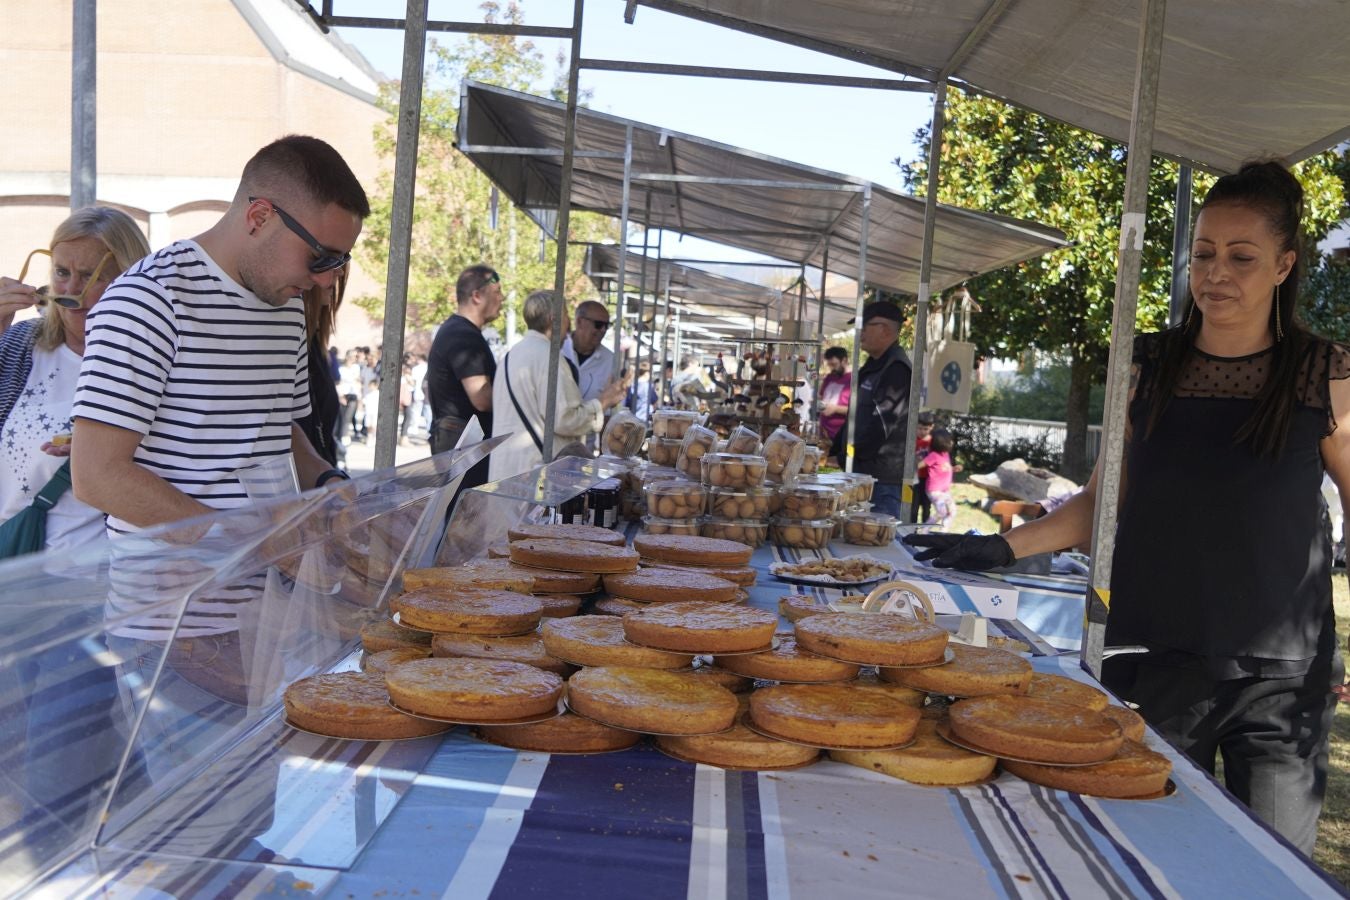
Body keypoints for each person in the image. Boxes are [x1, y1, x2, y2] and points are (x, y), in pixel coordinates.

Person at [906, 160, 1346, 855]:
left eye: (1241, 257)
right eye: (1203, 254)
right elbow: (1101, 505)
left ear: (1286, 264)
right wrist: (1001, 547)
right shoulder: (1146, 365)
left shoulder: (1327, 374)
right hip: (1152, 658)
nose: (1216, 274)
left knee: (1269, 867)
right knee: (1140, 850)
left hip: (1282, 678)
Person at [0, 207, 150, 555]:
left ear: (129, 279)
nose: (71, 290)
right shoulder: (21, 343)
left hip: (95, 580)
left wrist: (110, 449)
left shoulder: (149, 358)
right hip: (14, 569)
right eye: (62, 272)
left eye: (90, 275)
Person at [488, 290, 626, 481]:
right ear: (555, 319)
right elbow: (565, 419)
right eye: (567, 316)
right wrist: (604, 401)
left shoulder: (511, 354)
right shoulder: (550, 357)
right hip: (533, 476)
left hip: (507, 470)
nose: (568, 324)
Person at [426, 264, 502, 493]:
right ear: (477, 296)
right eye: (497, 292)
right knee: (463, 523)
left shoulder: (456, 330)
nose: (502, 298)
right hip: (464, 447)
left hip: (460, 444)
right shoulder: (463, 336)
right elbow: (482, 398)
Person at [850, 301, 913, 519]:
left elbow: (882, 424)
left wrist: (852, 453)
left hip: (882, 480)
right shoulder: (872, 365)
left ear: (884, 329)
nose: (860, 333)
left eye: (864, 327)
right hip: (864, 474)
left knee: (878, 547)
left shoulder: (896, 368)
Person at [298, 265, 348, 467]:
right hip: (308, 481)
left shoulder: (318, 345)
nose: (339, 274)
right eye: (330, 261)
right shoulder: (301, 345)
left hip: (321, 476)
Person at [561, 299, 615, 403]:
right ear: (579, 322)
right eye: (598, 324)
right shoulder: (558, 350)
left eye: (607, 326)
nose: (603, 330)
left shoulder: (610, 360)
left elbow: (610, 409)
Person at [917, 427, 960, 530]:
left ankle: (943, 532)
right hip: (934, 490)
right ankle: (924, 529)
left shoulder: (946, 455)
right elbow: (920, 465)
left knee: (952, 511)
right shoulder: (933, 456)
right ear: (943, 442)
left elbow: (943, 468)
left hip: (945, 491)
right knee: (942, 512)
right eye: (950, 441)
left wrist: (953, 468)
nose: (952, 442)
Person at [818, 346, 851, 440]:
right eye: (829, 365)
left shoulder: (854, 380)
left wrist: (836, 409)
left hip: (841, 435)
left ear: (844, 360)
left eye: (834, 364)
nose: (832, 368)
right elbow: (822, 397)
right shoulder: (830, 377)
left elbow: (858, 410)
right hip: (823, 432)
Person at [911, 410, 936, 523]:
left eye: (925, 429)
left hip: (928, 479)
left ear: (931, 427)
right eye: (920, 428)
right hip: (914, 478)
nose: (922, 431)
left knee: (926, 507)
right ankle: (911, 530)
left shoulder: (934, 442)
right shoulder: (912, 441)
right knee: (913, 507)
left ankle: (925, 532)